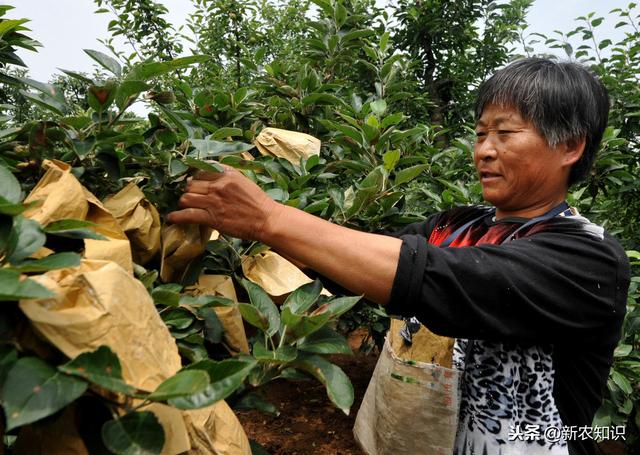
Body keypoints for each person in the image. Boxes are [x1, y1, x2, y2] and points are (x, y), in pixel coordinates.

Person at [168, 58, 630, 455]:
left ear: (570, 146)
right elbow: (359, 263)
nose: (484, 150)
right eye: (481, 133)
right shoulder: (455, 226)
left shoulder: (588, 259)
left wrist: (268, 218)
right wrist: (247, 225)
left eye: (506, 133)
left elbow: (439, 278)